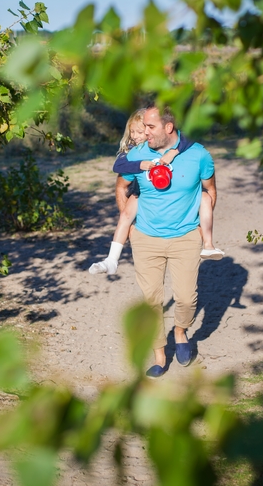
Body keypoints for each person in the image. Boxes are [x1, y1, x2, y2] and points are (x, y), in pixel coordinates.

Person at [115, 104, 216, 377]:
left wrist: (201, 228)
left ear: (168, 128)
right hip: (146, 238)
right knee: (151, 301)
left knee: (185, 298)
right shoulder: (137, 155)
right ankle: (160, 356)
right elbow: (121, 186)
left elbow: (210, 190)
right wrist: (130, 222)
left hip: (185, 236)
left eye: (150, 127)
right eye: (143, 127)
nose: (142, 132)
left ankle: (180, 331)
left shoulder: (198, 155)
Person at [89, 109, 223, 275]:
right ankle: (112, 259)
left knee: (204, 198)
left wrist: (175, 151)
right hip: (138, 191)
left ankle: (208, 243)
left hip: (163, 201)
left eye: (143, 130)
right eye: (133, 131)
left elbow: (184, 138)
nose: (139, 135)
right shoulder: (133, 149)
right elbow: (118, 166)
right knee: (125, 217)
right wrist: (140, 165)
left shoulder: (169, 144)